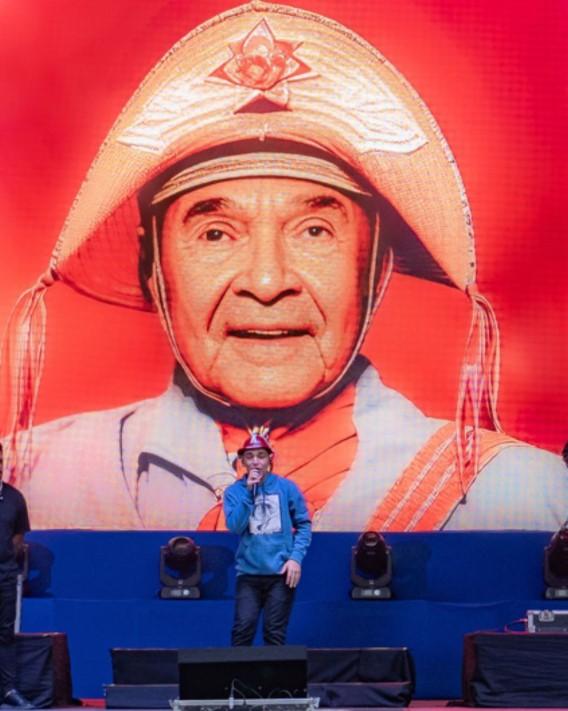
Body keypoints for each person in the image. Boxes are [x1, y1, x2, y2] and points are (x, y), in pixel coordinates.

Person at [1, 2, 567, 531]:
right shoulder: (35, 483)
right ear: (153, 266)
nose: (267, 282)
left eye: (315, 231)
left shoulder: (520, 498)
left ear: (378, 267)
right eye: (216, 232)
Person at [223, 431, 311, 645]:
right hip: (249, 574)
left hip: (280, 574)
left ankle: (274, 679)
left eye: (261, 456)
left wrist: (295, 558)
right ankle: (237, 679)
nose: (256, 462)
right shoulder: (234, 492)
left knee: (274, 633)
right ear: (242, 461)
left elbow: (304, 524)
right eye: (250, 456)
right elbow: (235, 527)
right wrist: (248, 493)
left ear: (269, 459)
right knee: (243, 629)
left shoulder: (286, 488)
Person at [0, 444, 34, 709]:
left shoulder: (14, 498)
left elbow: (19, 537)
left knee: (5, 634)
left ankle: (8, 690)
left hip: (4, 575)